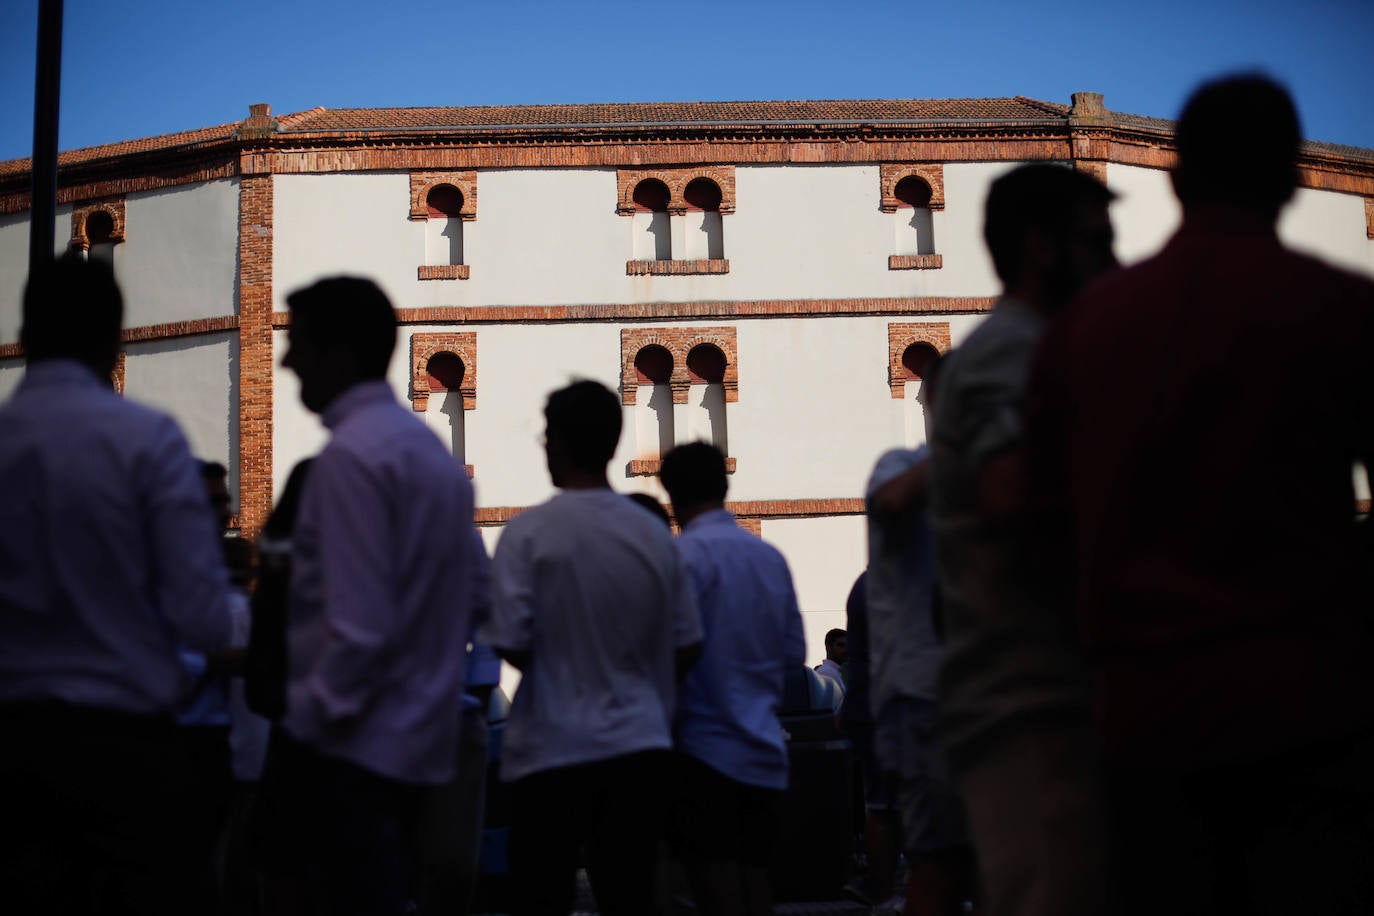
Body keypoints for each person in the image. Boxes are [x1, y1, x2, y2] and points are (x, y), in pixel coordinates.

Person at [1025, 74, 1374, 915]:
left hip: (1143, 721)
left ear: (1177, 179)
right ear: (1292, 180)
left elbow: (1042, 527)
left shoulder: (1085, 330)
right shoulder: (1341, 310)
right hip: (1310, 714)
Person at [0, 254, 248, 915]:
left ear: (25, 334)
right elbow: (202, 616)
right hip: (126, 755)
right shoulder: (147, 441)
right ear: (114, 339)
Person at [929, 163, 1117, 916]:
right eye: (1098, 242)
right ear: (1044, 248)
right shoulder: (1015, 350)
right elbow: (1020, 501)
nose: (1114, 263)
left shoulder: (1027, 345)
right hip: (1033, 703)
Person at [258, 276, 478, 916]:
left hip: (343, 749)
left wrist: (306, 724)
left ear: (340, 352)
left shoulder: (350, 460)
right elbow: (477, 597)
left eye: (298, 343)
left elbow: (357, 630)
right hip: (415, 747)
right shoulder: (434, 457)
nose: (285, 360)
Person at [484, 380, 701, 916]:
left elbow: (510, 644)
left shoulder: (527, 535)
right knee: (630, 894)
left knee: (542, 896)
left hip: (549, 750)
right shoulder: (654, 536)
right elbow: (687, 643)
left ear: (556, 442)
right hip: (637, 745)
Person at [659, 441, 806, 916]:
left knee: (711, 875)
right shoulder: (770, 559)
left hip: (700, 747)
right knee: (757, 874)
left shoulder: (681, 561)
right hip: (765, 745)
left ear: (672, 494)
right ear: (725, 487)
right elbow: (793, 655)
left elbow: (666, 656)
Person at [866, 356, 976, 916]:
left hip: (987, 692)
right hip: (926, 694)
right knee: (939, 860)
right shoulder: (902, 464)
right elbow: (892, 501)